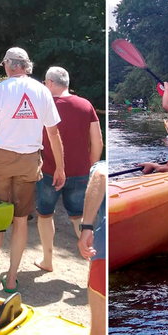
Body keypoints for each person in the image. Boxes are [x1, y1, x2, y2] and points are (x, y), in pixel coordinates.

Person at [0, 47, 64, 294]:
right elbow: (53, 133)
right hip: (29, 160)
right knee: (20, 219)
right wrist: (60, 167)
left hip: (1, 161)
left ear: (9, 65)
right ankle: (12, 277)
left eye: (4, 64)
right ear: (26, 65)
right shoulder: (42, 91)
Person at [34, 67, 103, 272]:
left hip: (47, 170)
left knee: (45, 215)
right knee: (80, 218)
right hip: (81, 172)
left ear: (52, 83)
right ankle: (93, 263)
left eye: (46, 83)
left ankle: (47, 261)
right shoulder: (85, 105)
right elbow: (98, 141)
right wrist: (91, 166)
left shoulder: (43, 106)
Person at [76, 161, 106, 335]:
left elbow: (101, 174)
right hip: (104, 251)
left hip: (103, 254)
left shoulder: (102, 166)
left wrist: (86, 227)